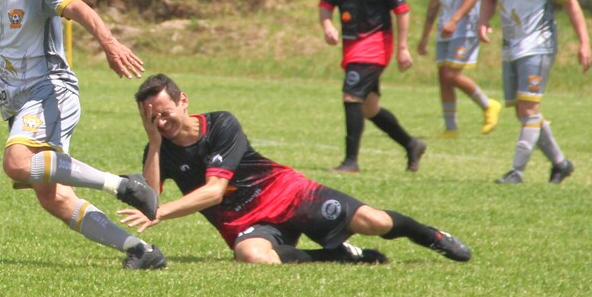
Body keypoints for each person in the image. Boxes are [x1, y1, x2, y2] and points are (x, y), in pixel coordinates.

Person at [0, 0, 167, 269]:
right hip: (16, 103)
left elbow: (79, 8)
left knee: (17, 163)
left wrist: (109, 43)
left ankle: (124, 186)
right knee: (53, 197)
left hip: (50, 90)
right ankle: (141, 250)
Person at [118, 74, 472, 266]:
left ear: (183, 100)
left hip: (288, 193)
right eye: (152, 117)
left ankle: (434, 238)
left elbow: (211, 192)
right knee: (253, 257)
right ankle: (338, 256)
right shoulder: (157, 148)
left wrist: (160, 214)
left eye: (165, 112)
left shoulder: (221, 124)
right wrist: (154, 143)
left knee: (375, 223)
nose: (161, 121)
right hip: (245, 223)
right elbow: (152, 198)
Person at [477, 0, 592, 184]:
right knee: (523, 112)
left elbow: (571, 3)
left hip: (539, 43)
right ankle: (561, 164)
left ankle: (516, 173)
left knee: (528, 109)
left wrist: (584, 42)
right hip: (511, 43)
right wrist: (483, 21)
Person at [319, 0, 426, 173]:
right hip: (350, 47)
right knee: (369, 108)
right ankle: (412, 144)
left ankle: (350, 162)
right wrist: (328, 26)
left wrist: (402, 48)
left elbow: (401, 10)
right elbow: (326, 6)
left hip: (375, 45)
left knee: (351, 96)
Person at [417, 0, 502, 138]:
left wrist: (455, 19)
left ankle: (488, 105)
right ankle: (450, 128)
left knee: (452, 74)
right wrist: (425, 36)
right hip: (445, 27)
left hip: (464, 25)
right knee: (442, 75)